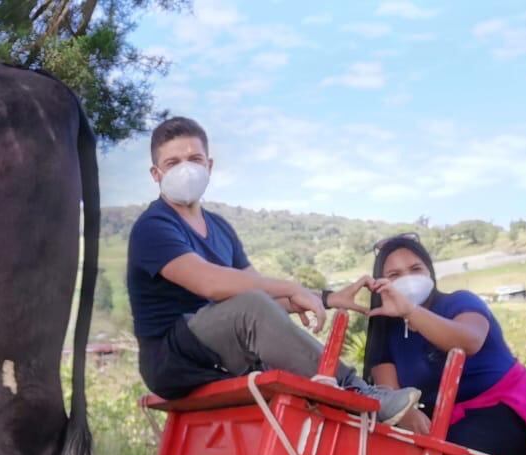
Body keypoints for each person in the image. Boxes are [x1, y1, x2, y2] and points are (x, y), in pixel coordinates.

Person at [126, 116, 420, 425]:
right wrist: (292, 287)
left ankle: (338, 402)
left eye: (194, 159)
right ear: (156, 174)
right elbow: (210, 283)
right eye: (173, 162)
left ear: (209, 166)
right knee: (250, 306)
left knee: (254, 304)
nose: (185, 169)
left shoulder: (221, 228)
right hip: (171, 358)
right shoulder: (154, 227)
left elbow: (261, 296)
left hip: (217, 349)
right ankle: (356, 391)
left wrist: (324, 298)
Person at [326, 233, 526, 455]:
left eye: (416, 269)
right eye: (394, 275)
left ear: (429, 272)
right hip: (442, 423)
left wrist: (410, 311)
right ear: (380, 285)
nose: (408, 279)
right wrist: (407, 413)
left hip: (506, 409)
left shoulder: (460, 302)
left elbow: (469, 341)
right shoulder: (386, 332)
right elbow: (390, 392)